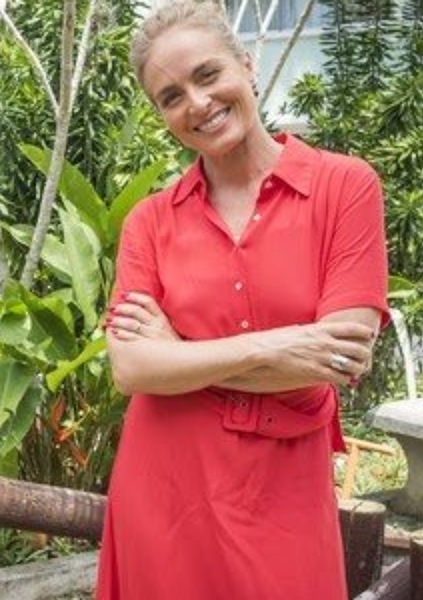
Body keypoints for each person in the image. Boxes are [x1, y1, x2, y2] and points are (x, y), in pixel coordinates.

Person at [97, 2, 388, 598]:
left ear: (246, 65)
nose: (197, 104)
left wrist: (181, 356)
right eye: (171, 96)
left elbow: (338, 360)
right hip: (165, 491)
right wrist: (279, 344)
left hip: (286, 490)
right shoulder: (150, 223)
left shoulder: (344, 186)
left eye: (208, 75)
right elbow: (131, 368)